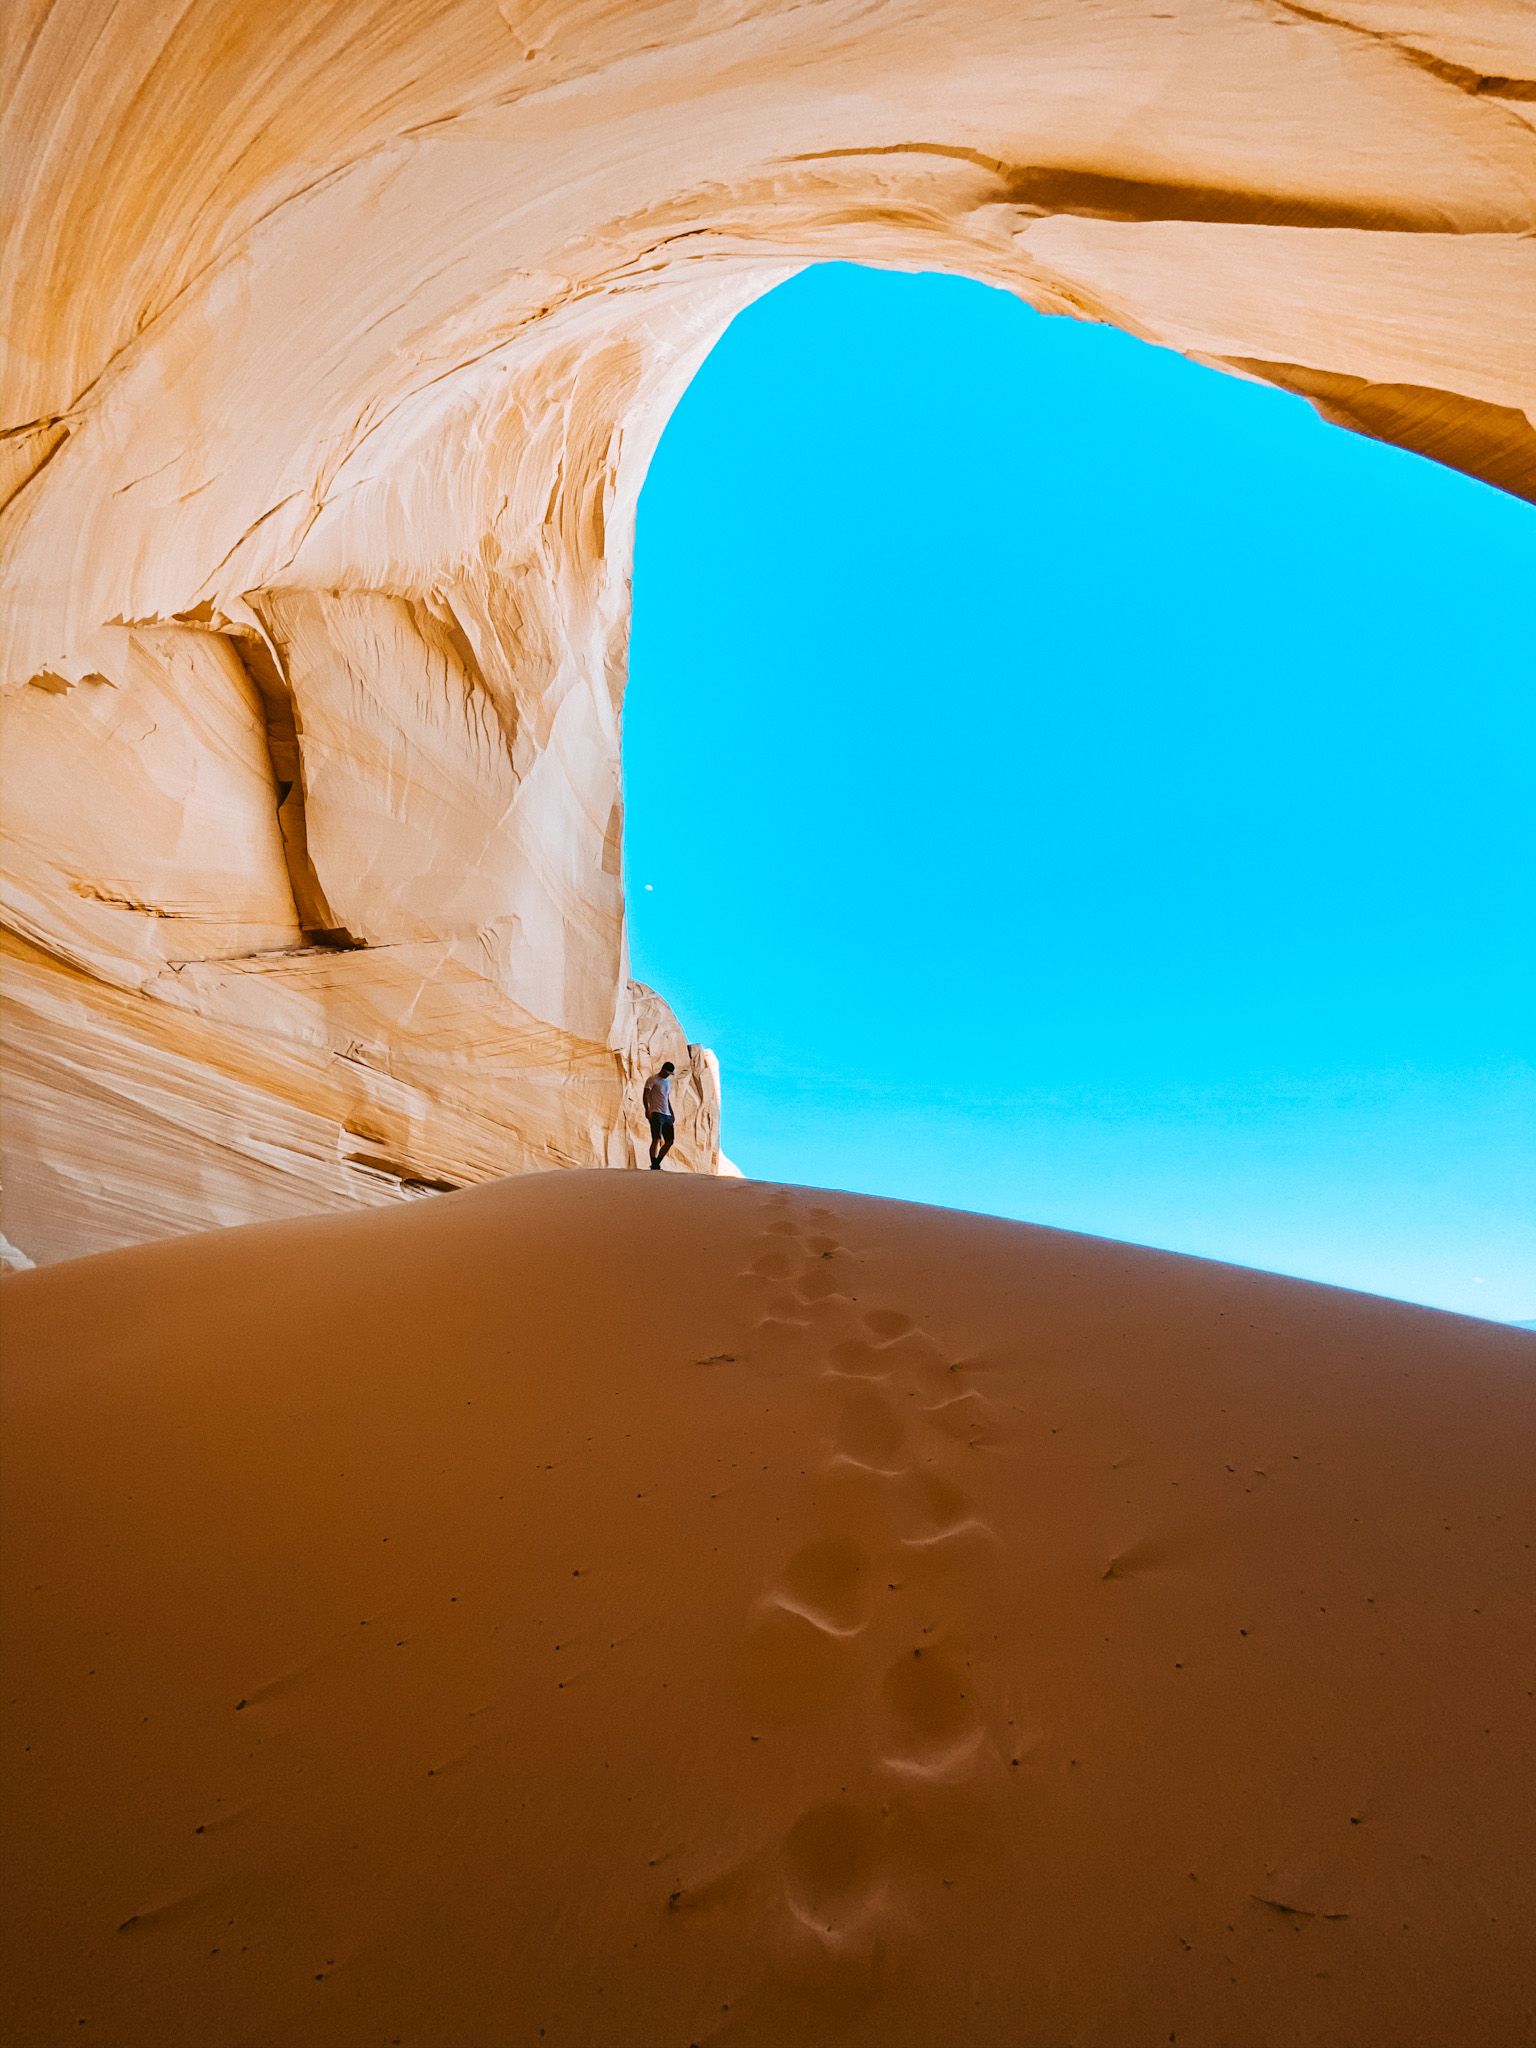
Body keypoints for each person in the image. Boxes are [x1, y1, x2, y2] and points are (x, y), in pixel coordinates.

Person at [643, 1061, 677, 1171]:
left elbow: (666, 1098)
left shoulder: (667, 1083)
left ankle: (657, 1162)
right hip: (656, 1112)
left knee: (669, 1141)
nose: (668, 1075)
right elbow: (646, 1094)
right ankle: (654, 1163)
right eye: (667, 1072)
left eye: (670, 1073)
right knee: (656, 1138)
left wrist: (672, 1112)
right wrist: (647, 1109)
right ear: (662, 1069)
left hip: (667, 1115)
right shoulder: (652, 1079)